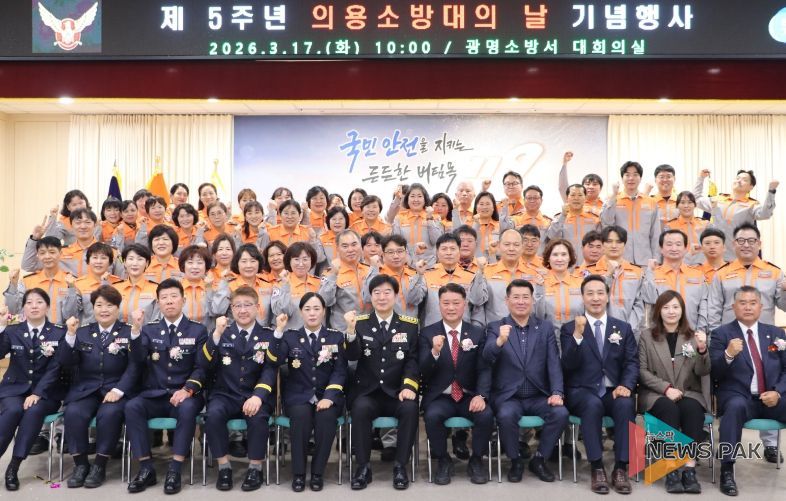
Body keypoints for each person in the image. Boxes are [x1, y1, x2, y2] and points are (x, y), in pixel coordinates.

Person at [125, 279, 208, 494]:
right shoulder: (149, 330)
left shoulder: (198, 330)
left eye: (173, 296)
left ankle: (175, 469)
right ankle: (146, 468)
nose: (169, 301)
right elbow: (137, 359)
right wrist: (135, 330)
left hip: (185, 395)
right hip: (155, 394)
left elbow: (201, 368)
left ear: (183, 300)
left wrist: (187, 389)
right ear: (158, 303)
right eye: (164, 298)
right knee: (132, 407)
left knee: (188, 409)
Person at [560, 275, 639, 495]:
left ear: (607, 296)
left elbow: (632, 362)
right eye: (590, 294)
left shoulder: (622, 328)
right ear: (583, 297)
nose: (595, 298)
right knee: (592, 404)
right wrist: (577, 335)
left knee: (626, 404)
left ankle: (621, 468)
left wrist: (626, 385)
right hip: (582, 391)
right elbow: (567, 364)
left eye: (600, 293)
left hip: (613, 390)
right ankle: (596, 467)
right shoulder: (569, 328)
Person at [483, 279, 568, 483]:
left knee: (560, 413)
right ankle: (515, 461)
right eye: (516, 297)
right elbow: (486, 357)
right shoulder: (496, 327)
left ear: (532, 300)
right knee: (505, 415)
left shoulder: (545, 327)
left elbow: (553, 363)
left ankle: (539, 459)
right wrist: (499, 341)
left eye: (525, 297)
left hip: (538, 395)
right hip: (509, 396)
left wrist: (557, 392)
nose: (521, 302)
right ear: (507, 300)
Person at [198, 287, 278, 491]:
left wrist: (258, 396)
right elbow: (204, 364)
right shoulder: (221, 333)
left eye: (247, 305)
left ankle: (255, 468)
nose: (242, 310)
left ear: (258, 307)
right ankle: (224, 467)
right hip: (225, 394)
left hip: (254, 395)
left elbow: (270, 370)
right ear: (231, 309)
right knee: (213, 415)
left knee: (258, 418)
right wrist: (216, 334)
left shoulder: (268, 335)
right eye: (237, 306)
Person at [58, 285, 139, 488]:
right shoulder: (82, 332)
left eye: (109, 305)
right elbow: (66, 362)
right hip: (86, 389)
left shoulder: (129, 332)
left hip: (115, 389)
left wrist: (119, 390)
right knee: (73, 412)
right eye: (99, 305)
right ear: (93, 308)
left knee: (110, 414)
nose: (104, 310)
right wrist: (70, 335)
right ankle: (81, 464)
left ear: (118, 308)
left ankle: (100, 465)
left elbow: (136, 366)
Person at [346, 275, 420, 490]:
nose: (382, 297)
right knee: (359, 409)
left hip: (396, 392)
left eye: (387, 292)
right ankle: (363, 468)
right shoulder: (360, 323)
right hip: (369, 393)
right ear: (370, 296)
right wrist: (350, 332)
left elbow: (412, 361)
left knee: (410, 408)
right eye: (376, 293)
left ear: (396, 296)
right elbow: (352, 356)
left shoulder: (409, 325)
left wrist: (408, 386)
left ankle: (400, 466)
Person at [267, 293, 348, 492]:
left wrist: (329, 397)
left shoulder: (336, 337)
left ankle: (318, 473)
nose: (312, 313)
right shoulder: (290, 336)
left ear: (324, 311)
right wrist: (278, 331)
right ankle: (299, 474)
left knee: (326, 419)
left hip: (327, 396)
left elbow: (340, 371)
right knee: (301, 419)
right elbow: (273, 360)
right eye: (307, 309)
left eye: (316, 309)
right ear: (301, 312)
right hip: (298, 396)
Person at [710, 286, 786, 496]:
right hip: (739, 397)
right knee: (734, 408)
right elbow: (714, 373)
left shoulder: (777, 334)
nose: (748, 307)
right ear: (733, 307)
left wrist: (778, 392)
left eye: (753, 303)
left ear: (761, 307)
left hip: (772, 397)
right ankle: (727, 470)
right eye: (742, 303)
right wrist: (728, 354)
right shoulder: (721, 334)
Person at [419, 283, 492, 485]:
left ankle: (476, 460)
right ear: (439, 305)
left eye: (456, 303)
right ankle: (443, 460)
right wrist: (434, 352)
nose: (451, 308)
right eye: (446, 303)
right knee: (432, 416)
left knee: (485, 415)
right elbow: (423, 370)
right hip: (441, 396)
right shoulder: (427, 333)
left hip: (468, 395)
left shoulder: (477, 333)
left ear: (464, 304)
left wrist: (481, 395)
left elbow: (484, 369)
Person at [638, 290, 709, 494]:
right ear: (658, 311)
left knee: (692, 409)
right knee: (668, 409)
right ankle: (670, 469)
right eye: (666, 307)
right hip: (655, 393)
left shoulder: (693, 336)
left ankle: (689, 470)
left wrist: (702, 350)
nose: (671, 311)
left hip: (687, 392)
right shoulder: (646, 336)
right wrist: (666, 388)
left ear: (682, 310)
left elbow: (702, 371)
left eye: (676, 307)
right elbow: (641, 371)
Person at [0, 290, 67, 491]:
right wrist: (1, 326)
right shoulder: (12, 331)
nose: (34, 306)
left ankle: (13, 467)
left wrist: (37, 393)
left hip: (46, 393)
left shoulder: (59, 332)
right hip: (14, 389)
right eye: (29, 302)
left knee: (33, 411)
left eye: (39, 302)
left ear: (47, 306)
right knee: (12, 411)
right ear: (23, 307)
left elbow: (56, 368)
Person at [708, 223, 786, 330]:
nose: (746, 245)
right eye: (741, 240)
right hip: (731, 336)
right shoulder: (721, 273)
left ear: (759, 244)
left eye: (751, 241)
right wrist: (715, 336)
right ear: (734, 244)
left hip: (764, 335)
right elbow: (713, 310)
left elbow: (784, 306)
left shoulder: (775, 272)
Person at [582, 225, 656, 334]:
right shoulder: (589, 272)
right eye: (609, 241)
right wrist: (608, 275)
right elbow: (587, 302)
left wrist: (628, 328)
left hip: (630, 331)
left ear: (624, 244)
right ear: (602, 244)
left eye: (619, 242)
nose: (614, 246)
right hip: (598, 331)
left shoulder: (636, 271)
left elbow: (639, 303)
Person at [694, 169, 778, 262]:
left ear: (751, 187)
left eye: (744, 180)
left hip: (737, 259)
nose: (739, 181)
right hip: (715, 258)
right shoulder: (718, 199)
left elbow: (765, 214)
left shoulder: (752, 205)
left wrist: (771, 192)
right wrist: (701, 178)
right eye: (738, 178)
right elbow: (696, 200)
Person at [600, 161, 661, 265]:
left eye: (635, 175)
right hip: (619, 260)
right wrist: (613, 196)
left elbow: (655, 234)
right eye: (627, 175)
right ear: (622, 178)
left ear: (640, 178)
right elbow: (606, 223)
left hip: (645, 261)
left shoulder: (650, 202)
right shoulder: (613, 199)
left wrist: (657, 259)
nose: (631, 178)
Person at [422, 233, 488, 327]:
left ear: (459, 251)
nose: (448, 253)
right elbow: (414, 301)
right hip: (433, 330)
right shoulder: (426, 275)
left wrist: (480, 272)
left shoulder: (471, 276)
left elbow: (477, 303)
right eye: (444, 249)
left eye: (453, 249)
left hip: (463, 331)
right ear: (437, 252)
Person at [650, 229, 708, 331]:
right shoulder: (653, 274)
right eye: (669, 244)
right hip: (660, 333)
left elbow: (703, 307)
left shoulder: (698, 275)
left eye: (678, 244)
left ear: (686, 248)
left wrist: (701, 331)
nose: (674, 248)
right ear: (661, 249)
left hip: (691, 332)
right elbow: (648, 306)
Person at [5, 237, 70, 323]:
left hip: (62, 330)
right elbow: (13, 310)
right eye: (42, 253)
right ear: (38, 255)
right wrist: (13, 285)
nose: (47, 256)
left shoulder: (70, 281)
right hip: (32, 330)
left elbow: (75, 313)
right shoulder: (27, 281)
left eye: (52, 252)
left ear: (61, 253)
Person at [319, 229, 372, 331]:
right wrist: (333, 275)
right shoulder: (330, 273)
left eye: (354, 244)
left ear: (360, 246)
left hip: (369, 329)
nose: (350, 249)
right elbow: (324, 301)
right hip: (343, 330)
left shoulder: (369, 270)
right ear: (337, 249)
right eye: (345, 246)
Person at [362, 234, 427, 318]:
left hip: (411, 323)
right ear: (383, 255)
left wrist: (419, 275)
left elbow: (415, 300)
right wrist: (374, 269)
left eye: (400, 251)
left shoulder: (414, 274)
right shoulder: (377, 274)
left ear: (406, 253)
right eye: (390, 252)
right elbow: (367, 298)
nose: (396, 256)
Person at [483, 228, 538, 324]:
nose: (511, 249)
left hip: (526, 329)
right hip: (496, 329)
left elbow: (537, 306)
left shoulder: (533, 273)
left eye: (516, 245)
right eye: (507, 244)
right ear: (499, 246)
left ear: (522, 247)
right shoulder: (486, 272)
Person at [534, 239, 585, 341]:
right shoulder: (539, 284)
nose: (559, 259)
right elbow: (537, 316)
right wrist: (539, 290)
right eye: (555, 255)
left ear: (570, 257)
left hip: (577, 339)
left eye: (564, 254)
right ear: (548, 258)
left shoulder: (581, 283)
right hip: (548, 340)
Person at [62, 242, 121, 325]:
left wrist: (105, 283)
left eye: (103, 258)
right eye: (95, 257)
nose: (99, 261)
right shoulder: (78, 284)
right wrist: (71, 288)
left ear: (110, 262)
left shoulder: (118, 283)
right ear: (88, 261)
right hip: (87, 331)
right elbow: (69, 315)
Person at [270, 242, 322, 331]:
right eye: (296, 259)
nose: (301, 264)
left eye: (305, 259)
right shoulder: (280, 284)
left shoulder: (319, 283)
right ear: (289, 261)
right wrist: (286, 286)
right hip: (290, 335)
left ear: (311, 260)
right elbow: (281, 312)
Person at [546, 184, 600, 266]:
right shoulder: (560, 218)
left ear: (585, 198)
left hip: (589, 265)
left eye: (580, 195)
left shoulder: (594, 218)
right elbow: (552, 236)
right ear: (567, 198)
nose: (576, 198)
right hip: (566, 265)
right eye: (573, 195)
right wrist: (563, 216)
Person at [392, 183, 444, 267]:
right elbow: (397, 244)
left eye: (419, 196)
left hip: (430, 267)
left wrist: (429, 219)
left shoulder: (435, 217)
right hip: (407, 267)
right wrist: (409, 262)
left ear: (425, 199)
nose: (416, 200)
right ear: (407, 199)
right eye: (412, 196)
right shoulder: (399, 218)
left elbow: (437, 241)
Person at [178, 245, 228, 332]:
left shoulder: (213, 287)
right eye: (190, 262)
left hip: (207, 335)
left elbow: (217, 311)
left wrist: (209, 289)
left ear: (206, 266)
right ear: (183, 265)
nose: (195, 267)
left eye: (199, 263)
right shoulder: (176, 289)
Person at [112, 244, 159, 323]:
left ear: (147, 263)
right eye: (131, 259)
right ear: (124, 262)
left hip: (146, 331)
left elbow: (157, 319)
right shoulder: (114, 288)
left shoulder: (156, 289)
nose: (135, 263)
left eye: (140, 259)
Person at [228, 243, 273, 325]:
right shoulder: (230, 287)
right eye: (244, 261)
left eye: (253, 261)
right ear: (237, 263)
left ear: (259, 263)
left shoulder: (268, 286)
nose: (248, 265)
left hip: (263, 331)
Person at [664, 191, 709, 266]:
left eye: (690, 202)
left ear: (695, 205)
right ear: (677, 206)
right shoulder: (670, 226)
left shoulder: (705, 224)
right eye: (682, 202)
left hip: (703, 267)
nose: (686, 206)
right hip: (679, 267)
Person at [558, 151, 604, 216]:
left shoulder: (605, 206)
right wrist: (564, 163)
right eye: (587, 184)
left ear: (601, 188)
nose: (591, 187)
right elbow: (562, 187)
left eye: (594, 184)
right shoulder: (575, 201)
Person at [472, 191, 514, 261]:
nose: (484, 207)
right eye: (481, 204)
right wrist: (476, 223)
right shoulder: (471, 225)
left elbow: (507, 228)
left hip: (497, 263)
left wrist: (505, 207)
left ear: (493, 207)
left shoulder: (500, 225)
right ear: (476, 207)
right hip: (476, 263)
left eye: (488, 204)